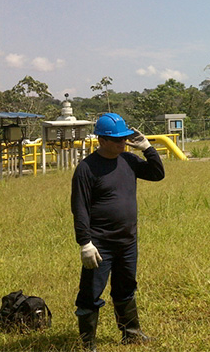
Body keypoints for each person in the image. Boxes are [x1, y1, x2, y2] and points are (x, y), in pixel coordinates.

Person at [71, 113, 165, 351]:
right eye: (117, 140)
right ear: (102, 140)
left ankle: (131, 334)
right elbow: (79, 208)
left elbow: (157, 174)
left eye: (125, 139)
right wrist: (85, 243)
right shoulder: (86, 169)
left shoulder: (128, 160)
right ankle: (88, 344)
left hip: (128, 241)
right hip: (100, 244)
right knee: (90, 293)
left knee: (126, 287)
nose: (123, 143)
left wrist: (147, 148)